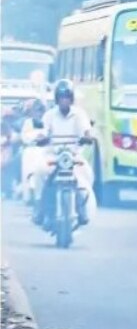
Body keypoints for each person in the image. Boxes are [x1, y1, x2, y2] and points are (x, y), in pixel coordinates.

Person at [32, 80, 95, 228]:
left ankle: (82, 209)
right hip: (52, 156)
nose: (64, 100)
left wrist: (87, 137)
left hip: (73, 156)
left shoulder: (79, 114)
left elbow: (86, 131)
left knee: (87, 173)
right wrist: (41, 138)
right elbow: (43, 132)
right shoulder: (49, 115)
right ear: (57, 99)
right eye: (61, 97)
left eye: (67, 97)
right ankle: (39, 209)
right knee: (39, 171)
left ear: (71, 98)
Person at [20, 99, 47, 204]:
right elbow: (24, 137)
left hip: (44, 151)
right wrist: (36, 136)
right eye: (37, 110)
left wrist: (43, 137)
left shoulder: (48, 122)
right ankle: (29, 197)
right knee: (29, 173)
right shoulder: (28, 122)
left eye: (41, 110)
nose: (39, 113)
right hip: (31, 151)